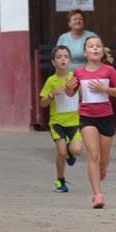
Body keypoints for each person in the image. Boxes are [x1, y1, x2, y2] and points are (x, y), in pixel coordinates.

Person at [74, 35, 116, 209]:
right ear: (85, 52)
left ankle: (102, 169)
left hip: (106, 117)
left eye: (98, 46)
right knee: (93, 155)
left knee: (103, 161)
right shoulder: (79, 72)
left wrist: (105, 89)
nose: (95, 48)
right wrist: (67, 88)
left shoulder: (109, 70)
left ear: (102, 51)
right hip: (87, 116)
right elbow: (70, 92)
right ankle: (97, 195)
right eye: (91, 46)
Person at [39, 46, 84, 192]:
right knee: (61, 152)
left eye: (66, 56)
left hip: (75, 122)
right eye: (59, 57)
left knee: (77, 150)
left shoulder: (75, 78)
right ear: (53, 62)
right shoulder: (51, 81)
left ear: (70, 60)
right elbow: (43, 103)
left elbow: (83, 95)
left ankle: (71, 152)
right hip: (57, 122)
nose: (63, 59)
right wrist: (52, 95)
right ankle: (60, 180)